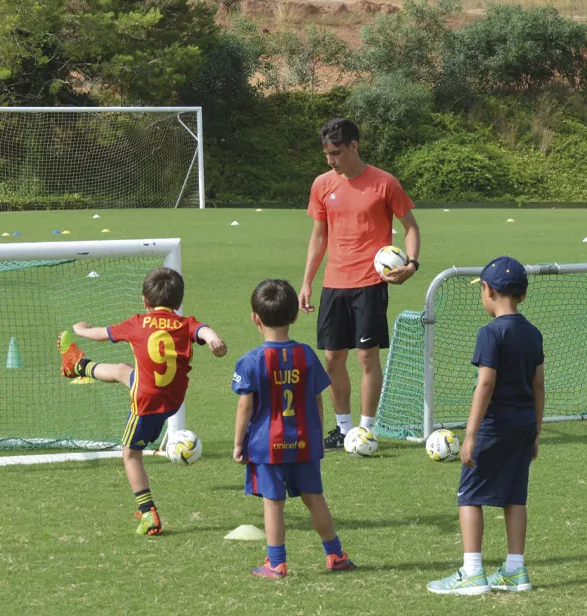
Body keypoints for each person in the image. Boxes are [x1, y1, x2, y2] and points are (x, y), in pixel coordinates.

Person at [58, 266, 227, 536]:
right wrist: (215, 340)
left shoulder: (137, 322)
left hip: (147, 403)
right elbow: (205, 331)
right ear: (179, 302)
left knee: (130, 455)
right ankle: (77, 365)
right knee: (126, 371)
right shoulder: (185, 324)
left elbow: (102, 333)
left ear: (144, 300)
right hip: (173, 398)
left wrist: (81, 330)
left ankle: (148, 513)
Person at [299, 117, 422, 450]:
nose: (331, 160)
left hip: (370, 283)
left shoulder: (384, 183)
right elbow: (319, 236)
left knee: (367, 358)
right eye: (327, 154)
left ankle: (367, 431)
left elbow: (410, 226)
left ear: (354, 146)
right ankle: (343, 429)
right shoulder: (322, 185)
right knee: (332, 359)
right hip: (334, 284)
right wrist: (307, 281)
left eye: (336, 152)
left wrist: (411, 264)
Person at [427, 257, 545, 594]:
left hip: (494, 426)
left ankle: (473, 572)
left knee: (469, 496)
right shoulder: (533, 333)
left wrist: (470, 434)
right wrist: (536, 432)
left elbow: (486, 384)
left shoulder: (490, 333)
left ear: (487, 290)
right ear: (522, 296)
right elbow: (539, 386)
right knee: (514, 497)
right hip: (523, 426)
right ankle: (515, 570)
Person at [232, 279, 356, 578]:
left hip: (267, 445)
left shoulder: (250, 361)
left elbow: (245, 407)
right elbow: (316, 399)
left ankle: (276, 562)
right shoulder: (306, 355)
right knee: (314, 498)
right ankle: (336, 555)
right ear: (294, 316)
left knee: (273, 503)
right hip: (304, 441)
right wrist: (315, 433)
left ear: (255, 318)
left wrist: (238, 444)